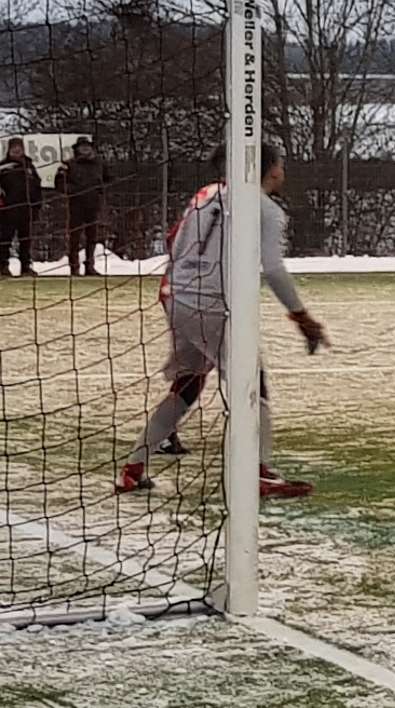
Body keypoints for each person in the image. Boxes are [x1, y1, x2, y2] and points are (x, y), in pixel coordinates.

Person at [118, 143, 324, 498]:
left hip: (175, 296)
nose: (283, 172)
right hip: (214, 304)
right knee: (251, 383)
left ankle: (133, 469)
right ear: (271, 170)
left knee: (189, 385)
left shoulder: (206, 193)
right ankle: (256, 472)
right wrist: (301, 316)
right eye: (281, 165)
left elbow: (173, 239)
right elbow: (273, 269)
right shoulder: (266, 210)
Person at [58, 138, 109, 277]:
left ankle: (89, 266)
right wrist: (73, 190)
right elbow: (59, 183)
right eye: (82, 146)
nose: (85, 149)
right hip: (76, 205)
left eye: (87, 146)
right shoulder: (69, 165)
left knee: (92, 236)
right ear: (77, 149)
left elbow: (109, 178)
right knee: (75, 236)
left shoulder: (99, 164)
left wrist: (99, 189)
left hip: (94, 204)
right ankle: (74, 266)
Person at [0, 138, 40, 275]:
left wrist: (36, 205)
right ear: (9, 150)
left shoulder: (29, 166)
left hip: (26, 209)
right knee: (5, 240)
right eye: (14, 147)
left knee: (26, 240)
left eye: (19, 147)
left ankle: (25, 267)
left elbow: (36, 186)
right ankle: (3, 266)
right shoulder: (3, 167)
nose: (17, 150)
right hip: (7, 210)